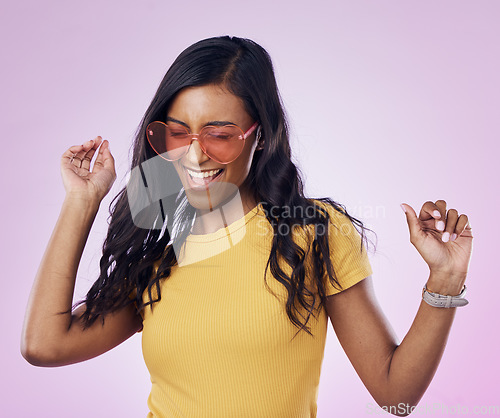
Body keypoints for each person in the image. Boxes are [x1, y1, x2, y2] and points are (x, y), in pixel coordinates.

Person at [21, 36, 474, 417]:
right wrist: (82, 201)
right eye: (178, 133)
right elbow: (43, 345)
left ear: (261, 134)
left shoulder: (314, 232)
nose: (195, 157)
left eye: (219, 135)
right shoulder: (160, 244)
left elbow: (396, 397)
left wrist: (446, 280)